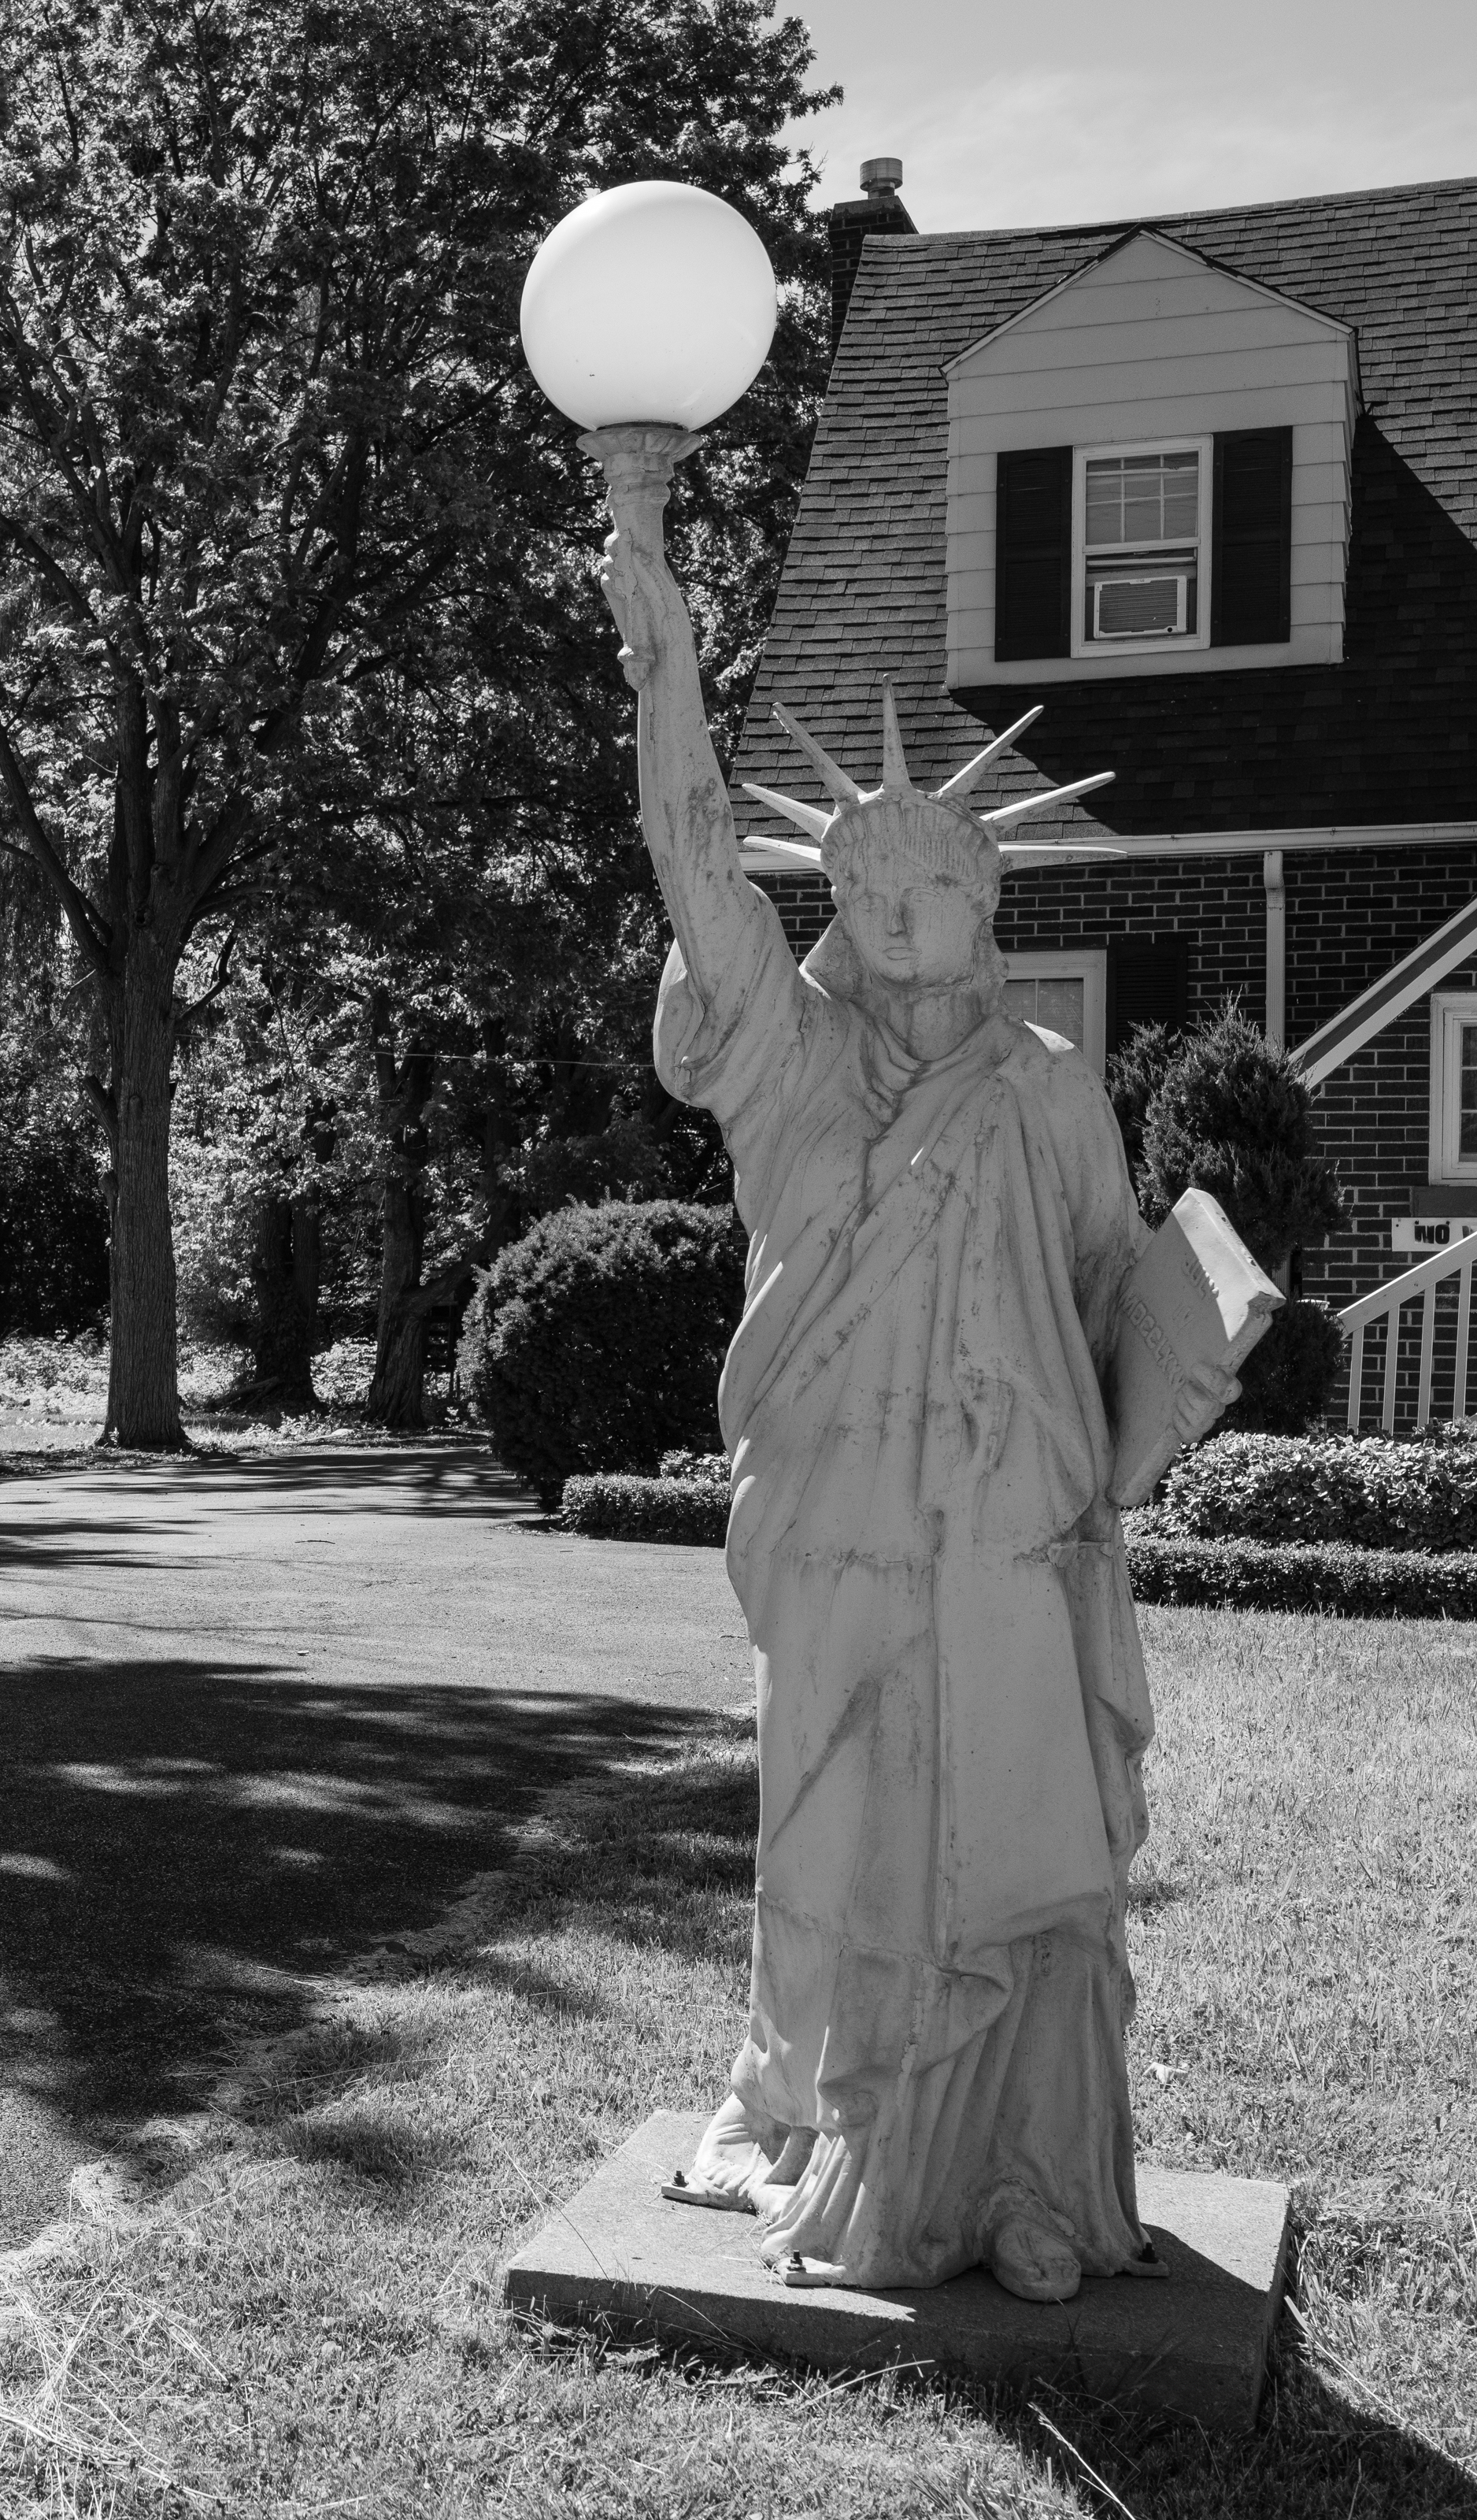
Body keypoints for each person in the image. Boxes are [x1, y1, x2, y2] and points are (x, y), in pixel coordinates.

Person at [593, 427, 1158, 2304]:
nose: (904, 910)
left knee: (981, 1819)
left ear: (989, 911)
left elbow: (1103, 1301)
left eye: (938, 883)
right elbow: (688, 849)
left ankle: (985, 2153)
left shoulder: (1053, 1098)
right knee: (817, 1800)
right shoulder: (787, 1059)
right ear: (836, 903)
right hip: (831, 1485)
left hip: (994, 1511)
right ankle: (787, 2101)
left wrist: (1151, 1400)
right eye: (872, 881)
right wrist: (660, 628)